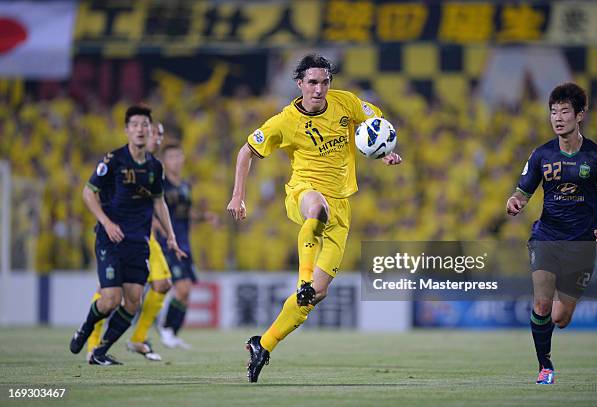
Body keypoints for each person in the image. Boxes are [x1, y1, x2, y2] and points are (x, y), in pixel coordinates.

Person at [227, 54, 402, 382]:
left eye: (324, 82)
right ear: (299, 84)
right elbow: (246, 151)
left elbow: (373, 128)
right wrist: (238, 195)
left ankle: (262, 344)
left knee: (316, 296)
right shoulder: (284, 121)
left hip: (341, 208)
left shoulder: (346, 103)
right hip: (303, 193)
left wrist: (384, 153)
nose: (319, 89)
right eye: (312, 82)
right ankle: (302, 279)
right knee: (316, 209)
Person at [506, 82, 597, 384]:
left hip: (581, 244)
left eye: (565, 111)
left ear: (580, 115)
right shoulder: (541, 155)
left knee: (559, 318)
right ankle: (545, 366)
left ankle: (554, 328)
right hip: (547, 236)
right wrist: (515, 202)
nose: (558, 117)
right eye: (553, 112)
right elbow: (522, 192)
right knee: (540, 302)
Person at [70, 106, 186, 365]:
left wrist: (171, 236)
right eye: (134, 125)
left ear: (150, 129)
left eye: (145, 125)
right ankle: (86, 329)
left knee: (133, 301)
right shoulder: (113, 160)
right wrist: (106, 222)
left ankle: (100, 352)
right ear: (127, 130)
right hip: (110, 239)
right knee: (110, 299)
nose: (140, 130)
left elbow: (159, 203)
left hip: (139, 242)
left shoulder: (155, 167)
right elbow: (89, 193)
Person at [157, 143, 214, 349]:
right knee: (181, 287)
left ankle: (172, 332)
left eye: (179, 156)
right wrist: (164, 234)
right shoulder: (160, 185)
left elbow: (186, 212)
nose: (176, 160)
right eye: (171, 156)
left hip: (185, 243)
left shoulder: (184, 185)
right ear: (164, 161)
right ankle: (164, 328)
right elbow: (154, 212)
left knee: (187, 291)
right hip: (168, 244)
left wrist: (203, 217)